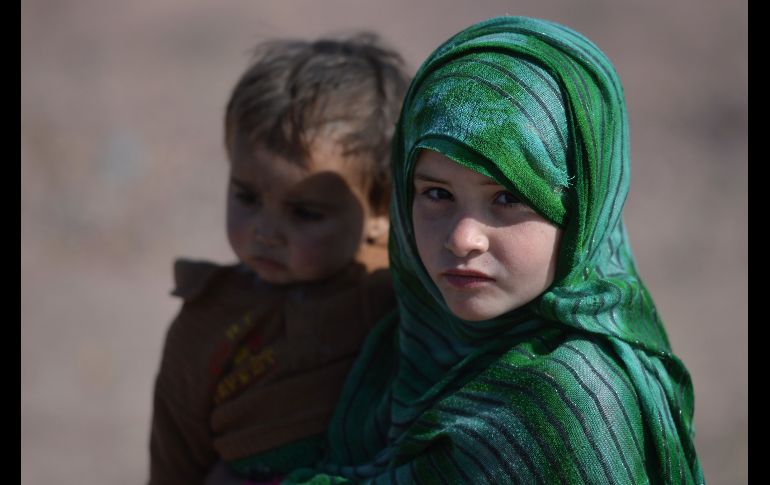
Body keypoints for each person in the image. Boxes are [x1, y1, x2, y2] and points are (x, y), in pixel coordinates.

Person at [283, 16, 705, 484]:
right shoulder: (401, 342)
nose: (463, 238)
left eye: (508, 198)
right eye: (437, 194)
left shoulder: (571, 398)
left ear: (584, 212)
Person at [148, 33, 409, 485]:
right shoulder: (208, 322)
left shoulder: (405, 295)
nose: (264, 232)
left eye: (305, 213)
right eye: (246, 197)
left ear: (381, 210)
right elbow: (174, 457)